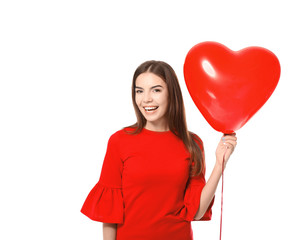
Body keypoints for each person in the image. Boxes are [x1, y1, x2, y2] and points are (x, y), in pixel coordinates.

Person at [80, 60, 237, 240]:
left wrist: (219, 164)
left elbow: (197, 212)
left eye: (156, 90)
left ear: (172, 93)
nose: (146, 99)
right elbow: (109, 214)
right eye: (139, 91)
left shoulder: (192, 143)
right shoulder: (119, 141)